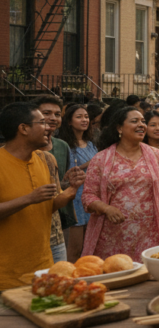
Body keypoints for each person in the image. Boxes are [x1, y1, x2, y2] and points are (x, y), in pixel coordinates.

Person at [82, 107, 159, 262]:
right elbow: (88, 195)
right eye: (134, 121)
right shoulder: (101, 159)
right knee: (115, 275)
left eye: (143, 121)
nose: (141, 125)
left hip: (150, 234)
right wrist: (106, 208)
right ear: (119, 128)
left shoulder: (156, 155)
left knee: (148, 278)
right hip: (112, 236)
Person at [0, 103, 77, 289]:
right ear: (24, 128)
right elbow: (33, 200)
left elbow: (48, 207)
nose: (49, 127)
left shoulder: (44, 160)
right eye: (42, 122)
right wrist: (29, 198)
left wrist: (72, 190)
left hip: (42, 269)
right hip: (6, 276)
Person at [36, 96, 78, 264]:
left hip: (60, 217)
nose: (53, 118)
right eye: (47, 113)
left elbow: (61, 182)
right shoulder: (25, 147)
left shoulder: (62, 145)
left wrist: (72, 182)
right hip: (34, 217)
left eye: (57, 114)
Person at [58, 104, 97, 262]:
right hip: (75, 199)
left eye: (86, 116)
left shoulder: (91, 144)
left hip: (92, 198)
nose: (84, 120)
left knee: (90, 248)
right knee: (75, 248)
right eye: (79, 117)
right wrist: (88, 164)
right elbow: (66, 174)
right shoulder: (64, 145)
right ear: (69, 121)